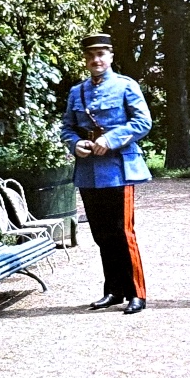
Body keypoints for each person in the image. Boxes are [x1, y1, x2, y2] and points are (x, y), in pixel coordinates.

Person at [60, 33, 152, 315]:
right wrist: (76, 144)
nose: (96, 60)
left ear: (111, 56)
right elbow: (67, 128)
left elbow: (143, 122)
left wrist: (110, 139)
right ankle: (114, 290)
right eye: (90, 56)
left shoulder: (126, 86)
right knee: (101, 234)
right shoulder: (78, 92)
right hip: (89, 171)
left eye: (101, 55)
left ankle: (137, 293)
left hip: (118, 169)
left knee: (123, 233)